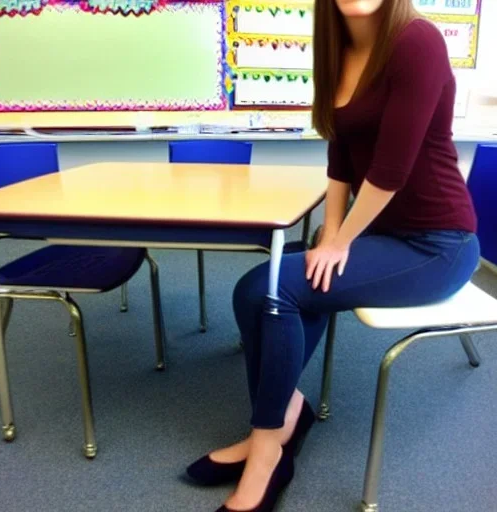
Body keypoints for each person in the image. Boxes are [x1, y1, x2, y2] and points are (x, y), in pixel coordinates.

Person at [185, 0, 480, 510]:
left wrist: (339, 242)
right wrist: (332, 234)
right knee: (252, 289)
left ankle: (265, 449)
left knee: (280, 292)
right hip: (377, 236)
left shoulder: (418, 42)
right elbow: (340, 164)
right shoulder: (336, 53)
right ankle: (284, 414)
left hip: (437, 244)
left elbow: (392, 169)